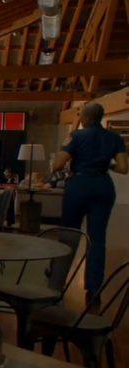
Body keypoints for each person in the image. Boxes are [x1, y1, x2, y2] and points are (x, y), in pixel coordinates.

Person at [53, 103, 128, 307]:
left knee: (69, 234)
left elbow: (58, 164)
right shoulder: (114, 138)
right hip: (103, 185)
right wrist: (106, 165)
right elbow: (123, 168)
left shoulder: (76, 136)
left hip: (79, 185)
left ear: (85, 119)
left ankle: (57, 281)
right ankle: (94, 289)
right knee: (97, 238)